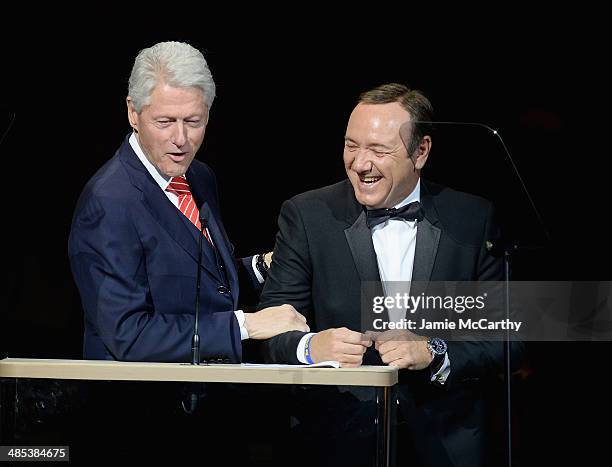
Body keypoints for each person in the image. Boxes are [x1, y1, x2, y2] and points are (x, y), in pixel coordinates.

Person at [259, 83, 525, 466]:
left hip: (447, 444)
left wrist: (434, 352)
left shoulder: (473, 219)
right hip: (338, 439)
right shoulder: (306, 215)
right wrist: (310, 347)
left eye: (379, 150)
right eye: (352, 146)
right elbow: (272, 331)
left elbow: (508, 339)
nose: (361, 163)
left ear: (421, 152)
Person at [68, 41, 308, 363]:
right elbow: (129, 334)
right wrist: (245, 325)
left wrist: (262, 266)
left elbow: (196, 281)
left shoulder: (199, 176)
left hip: (210, 399)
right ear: (133, 113)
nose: (180, 140)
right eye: (164, 122)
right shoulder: (108, 202)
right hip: (143, 405)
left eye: (193, 122)